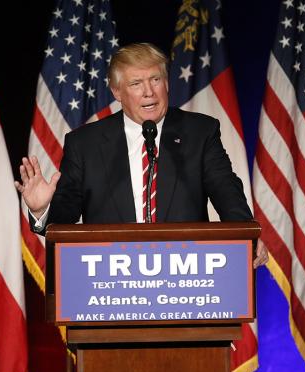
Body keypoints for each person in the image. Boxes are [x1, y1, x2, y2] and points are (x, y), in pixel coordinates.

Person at [15, 43, 268, 267]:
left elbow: (227, 191)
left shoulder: (200, 132)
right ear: (117, 92)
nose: (149, 92)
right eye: (136, 84)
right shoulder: (85, 143)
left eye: (155, 80)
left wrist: (246, 233)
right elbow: (66, 217)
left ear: (167, 83)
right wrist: (42, 210)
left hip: (188, 277)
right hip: (111, 283)